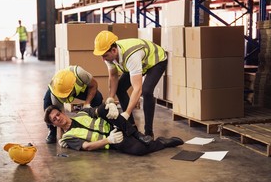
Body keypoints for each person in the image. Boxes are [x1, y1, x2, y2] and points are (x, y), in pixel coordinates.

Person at [93, 30, 168, 138]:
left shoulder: (132, 56)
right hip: (139, 62)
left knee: (146, 91)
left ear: (114, 50)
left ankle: (148, 132)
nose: (103, 59)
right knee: (119, 88)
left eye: (104, 56)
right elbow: (113, 76)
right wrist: (111, 98)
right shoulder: (108, 55)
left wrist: (126, 113)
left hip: (156, 61)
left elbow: (137, 89)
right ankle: (131, 127)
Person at [44, 102, 183, 156]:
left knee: (104, 109)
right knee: (139, 150)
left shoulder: (81, 113)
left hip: (116, 125)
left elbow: (98, 110)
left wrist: (110, 105)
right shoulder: (68, 137)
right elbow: (86, 146)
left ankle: (138, 134)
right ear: (53, 124)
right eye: (54, 119)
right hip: (113, 140)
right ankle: (162, 142)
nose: (58, 118)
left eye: (58, 114)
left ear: (62, 112)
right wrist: (108, 140)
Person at [43, 65, 103, 144]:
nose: (66, 98)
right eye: (64, 96)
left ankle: (94, 121)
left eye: (66, 95)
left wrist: (87, 104)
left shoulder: (80, 74)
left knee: (97, 97)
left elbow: (94, 85)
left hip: (76, 88)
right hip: (56, 90)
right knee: (48, 106)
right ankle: (52, 131)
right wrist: (64, 138)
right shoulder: (55, 94)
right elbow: (61, 118)